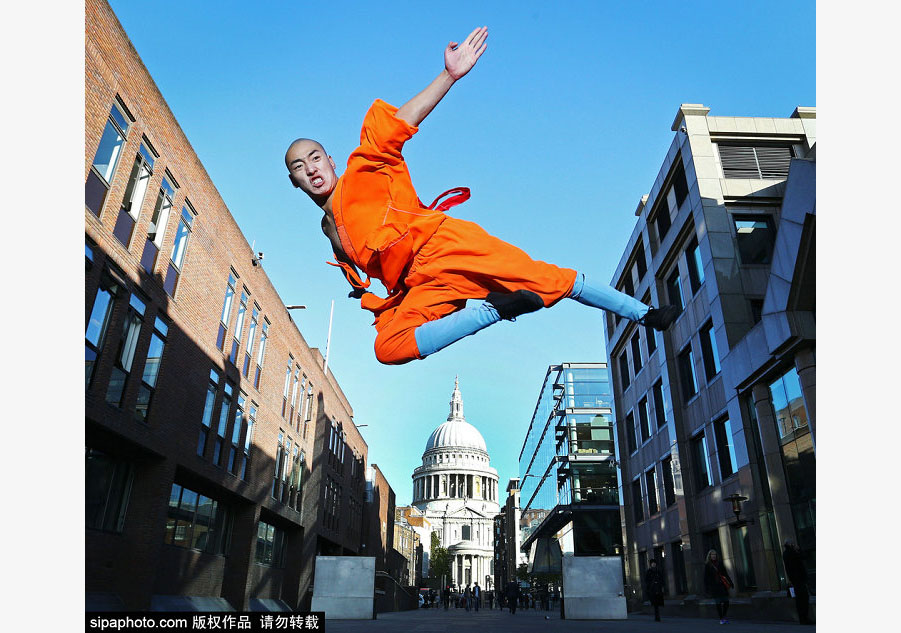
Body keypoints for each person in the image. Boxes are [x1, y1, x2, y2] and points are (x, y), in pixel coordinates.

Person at [285, 27, 681, 366]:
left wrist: (449, 75)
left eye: (316, 157)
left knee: (549, 280)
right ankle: (493, 310)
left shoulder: (365, 167)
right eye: (300, 167)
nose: (312, 169)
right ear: (295, 182)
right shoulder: (327, 228)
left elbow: (398, 123)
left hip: (444, 245)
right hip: (417, 284)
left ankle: (644, 314)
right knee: (386, 348)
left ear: (331, 160)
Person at [782, 538, 813, 625]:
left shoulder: (785, 553)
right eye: (793, 544)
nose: (795, 544)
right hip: (799, 579)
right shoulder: (792, 552)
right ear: (791, 544)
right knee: (803, 599)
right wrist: (798, 549)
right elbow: (804, 556)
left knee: (799, 600)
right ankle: (805, 619)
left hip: (795, 580)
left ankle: (803, 619)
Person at [704, 549, 734, 625]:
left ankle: (724, 616)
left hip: (722, 586)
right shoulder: (707, 565)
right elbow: (706, 578)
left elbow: (725, 574)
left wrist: (731, 582)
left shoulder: (720, 563)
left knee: (726, 602)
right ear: (709, 556)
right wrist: (707, 589)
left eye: (714, 554)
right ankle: (721, 619)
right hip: (714, 587)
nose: (713, 556)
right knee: (718, 603)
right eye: (712, 555)